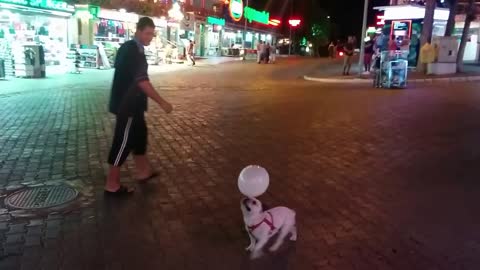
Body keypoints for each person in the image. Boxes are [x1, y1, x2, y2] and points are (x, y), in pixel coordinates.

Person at [105, 17, 173, 195]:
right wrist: (162, 102)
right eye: (148, 33)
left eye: (152, 33)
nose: (150, 37)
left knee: (140, 136)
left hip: (134, 106)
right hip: (127, 106)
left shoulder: (134, 49)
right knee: (122, 142)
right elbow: (142, 81)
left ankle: (144, 171)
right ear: (138, 31)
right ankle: (112, 184)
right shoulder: (133, 51)